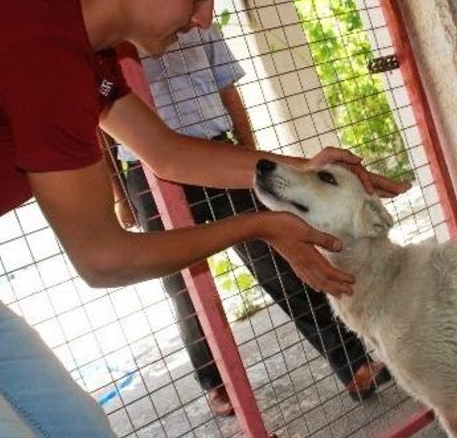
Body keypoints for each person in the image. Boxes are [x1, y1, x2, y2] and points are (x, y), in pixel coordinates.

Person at [0, 0, 409, 436]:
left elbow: (166, 153)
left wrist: (305, 169)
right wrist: (260, 224)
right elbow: (103, 259)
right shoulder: (42, 54)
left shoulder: (66, 23)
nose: (204, 19)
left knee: (80, 428)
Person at [111, 26, 390, 415]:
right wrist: (120, 194)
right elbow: (102, 125)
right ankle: (215, 382)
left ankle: (351, 362)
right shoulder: (109, 40)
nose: (203, 12)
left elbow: (228, 92)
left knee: (282, 259)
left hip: (218, 156)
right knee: (184, 288)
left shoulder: (201, 25)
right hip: (147, 173)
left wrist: (250, 155)